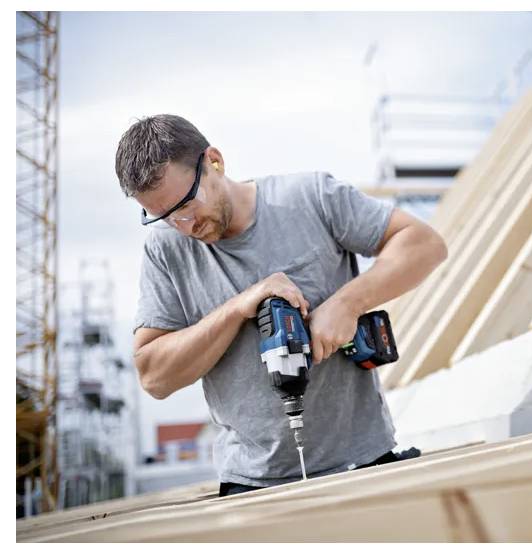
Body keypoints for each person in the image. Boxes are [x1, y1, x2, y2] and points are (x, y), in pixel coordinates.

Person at [115, 114, 447, 496]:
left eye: (188, 205)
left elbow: (424, 243)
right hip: (250, 485)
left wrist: (347, 303)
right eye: (165, 216)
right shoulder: (165, 249)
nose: (186, 226)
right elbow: (154, 376)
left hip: (366, 463)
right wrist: (239, 307)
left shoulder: (310, 197)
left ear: (215, 163)